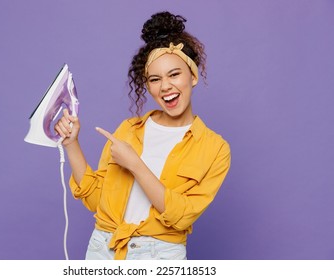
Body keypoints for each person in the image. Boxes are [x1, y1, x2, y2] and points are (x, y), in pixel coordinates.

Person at [54, 11, 231, 260]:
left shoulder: (215, 148)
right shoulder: (128, 130)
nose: (166, 86)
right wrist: (72, 145)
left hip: (160, 255)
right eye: (155, 79)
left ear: (193, 76)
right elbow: (97, 202)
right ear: (147, 86)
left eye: (174, 74)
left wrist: (135, 165)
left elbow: (181, 217)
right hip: (104, 248)